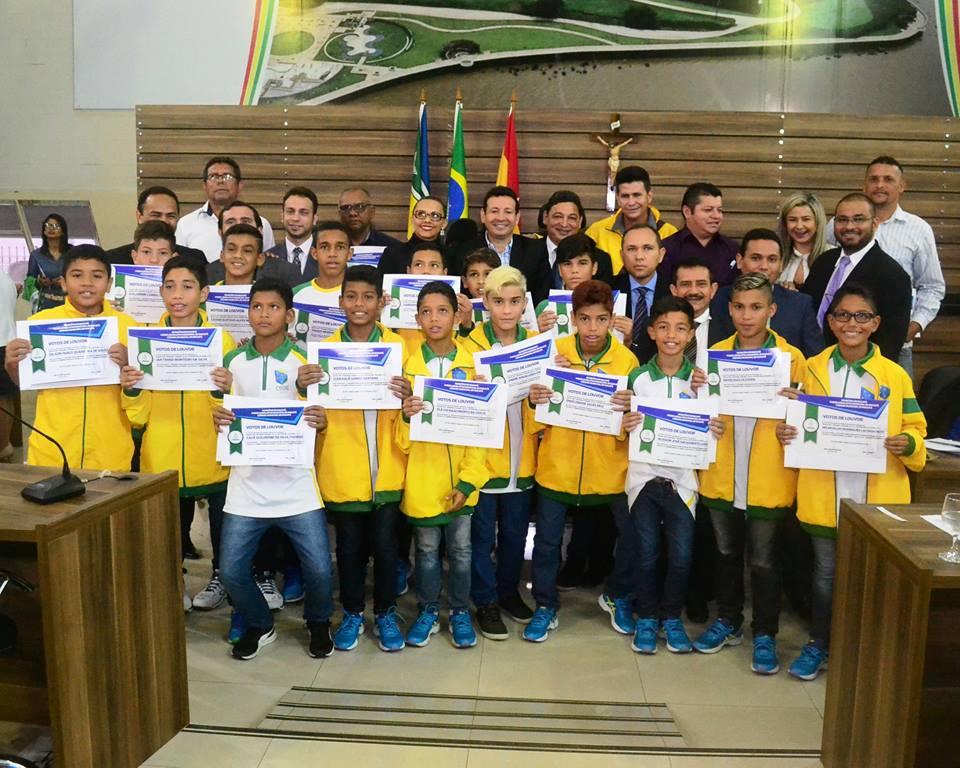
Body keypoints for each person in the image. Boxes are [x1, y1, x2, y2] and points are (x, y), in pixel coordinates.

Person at [776, 284, 926, 680]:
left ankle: (867, 651)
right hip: (826, 491)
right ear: (830, 321)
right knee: (825, 574)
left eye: (861, 316)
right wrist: (787, 432)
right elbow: (795, 420)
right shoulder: (811, 367)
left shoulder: (893, 374)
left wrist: (907, 441)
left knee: (871, 578)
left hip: (876, 495)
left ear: (875, 324)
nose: (851, 323)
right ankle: (820, 644)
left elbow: (916, 429)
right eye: (842, 315)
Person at [212, 278, 334, 660]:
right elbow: (221, 417)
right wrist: (217, 416)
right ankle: (260, 624)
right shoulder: (231, 362)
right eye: (257, 307)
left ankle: (317, 622)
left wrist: (321, 420)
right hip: (246, 486)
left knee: (318, 570)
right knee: (230, 571)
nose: (264, 314)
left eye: (273, 307)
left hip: (296, 485)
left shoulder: (305, 363)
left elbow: (319, 420)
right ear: (247, 312)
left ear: (289, 315)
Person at [693, 273, 806, 676]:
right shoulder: (714, 355)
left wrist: (793, 417)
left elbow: (806, 425)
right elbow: (697, 413)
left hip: (767, 477)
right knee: (725, 553)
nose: (746, 315)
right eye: (739, 307)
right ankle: (727, 620)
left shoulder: (791, 359)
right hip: (724, 470)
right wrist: (703, 413)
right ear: (729, 309)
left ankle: (765, 633)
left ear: (771, 310)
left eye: (756, 307)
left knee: (763, 560)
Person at [524, 280, 639, 642]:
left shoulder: (627, 360)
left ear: (612, 319)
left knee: (634, 538)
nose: (592, 328)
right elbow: (534, 420)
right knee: (545, 544)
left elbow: (636, 423)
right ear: (572, 318)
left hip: (611, 470)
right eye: (585, 319)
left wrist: (628, 412)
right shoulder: (553, 353)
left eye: (601, 319)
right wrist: (535, 398)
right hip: (557, 468)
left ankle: (616, 594)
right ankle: (545, 605)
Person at [120, 255, 235, 611]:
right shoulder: (146, 342)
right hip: (164, 453)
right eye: (169, 286)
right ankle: (176, 581)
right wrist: (133, 389)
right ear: (160, 292)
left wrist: (223, 389)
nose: (177, 294)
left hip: (212, 453)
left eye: (187, 286)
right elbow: (138, 418)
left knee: (221, 529)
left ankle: (221, 578)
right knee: (171, 531)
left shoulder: (223, 339)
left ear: (204, 294)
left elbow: (231, 406)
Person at [307, 266, 410, 652]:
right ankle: (351, 612)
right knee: (348, 551)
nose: (359, 304)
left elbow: (417, 408)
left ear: (381, 302)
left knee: (386, 550)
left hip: (388, 472)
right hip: (344, 472)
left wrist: (407, 394)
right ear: (340, 301)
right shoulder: (322, 352)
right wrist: (306, 388)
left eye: (368, 297)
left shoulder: (400, 348)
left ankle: (385, 612)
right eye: (351, 297)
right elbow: (310, 412)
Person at [615, 295, 722, 654]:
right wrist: (625, 424)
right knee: (645, 553)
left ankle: (671, 618)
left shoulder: (702, 381)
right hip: (643, 480)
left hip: (683, 483)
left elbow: (711, 428)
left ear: (692, 334)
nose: (671, 335)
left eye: (680, 328)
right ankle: (646, 617)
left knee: (681, 555)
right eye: (663, 327)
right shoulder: (638, 376)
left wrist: (714, 429)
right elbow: (622, 425)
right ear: (651, 331)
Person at [397, 281, 489, 649]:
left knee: (463, 552)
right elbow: (399, 442)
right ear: (417, 317)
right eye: (426, 311)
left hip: (462, 482)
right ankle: (429, 609)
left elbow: (483, 433)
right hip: (422, 481)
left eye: (442, 311)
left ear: (456, 315)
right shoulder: (406, 367)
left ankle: (460, 611)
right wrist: (405, 417)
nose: (434, 319)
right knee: (426, 551)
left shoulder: (474, 364)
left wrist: (468, 483)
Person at [5, 245, 135, 471]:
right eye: (77, 275)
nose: (87, 283)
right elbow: (27, 382)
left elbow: (140, 391)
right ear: (63, 283)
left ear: (110, 284)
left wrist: (127, 363)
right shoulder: (41, 323)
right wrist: (12, 366)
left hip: (111, 452)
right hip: (52, 450)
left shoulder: (128, 325)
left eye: (97, 276)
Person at [462, 266, 539, 638]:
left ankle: (509, 591)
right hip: (483, 463)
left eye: (514, 301)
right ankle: (485, 600)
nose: (506, 310)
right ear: (485, 303)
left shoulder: (538, 345)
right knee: (480, 537)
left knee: (515, 535)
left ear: (524, 303)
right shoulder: (468, 346)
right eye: (497, 301)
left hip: (523, 459)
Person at [827, 156, 945, 376]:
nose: (879, 185)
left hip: (894, 346)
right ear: (864, 185)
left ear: (901, 186)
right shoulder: (837, 225)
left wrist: (912, 327)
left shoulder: (918, 229)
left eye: (888, 179)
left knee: (891, 407)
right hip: (839, 341)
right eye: (873, 179)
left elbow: (933, 286)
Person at [668, 257, 723, 623]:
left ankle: (699, 592)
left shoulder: (730, 332)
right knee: (674, 524)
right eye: (684, 285)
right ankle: (674, 590)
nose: (693, 291)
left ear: (714, 289)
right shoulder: (662, 330)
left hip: (715, 441)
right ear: (674, 290)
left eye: (700, 284)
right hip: (671, 440)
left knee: (705, 525)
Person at [803, 193, 912, 362]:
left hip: (856, 371)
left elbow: (890, 343)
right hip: (810, 365)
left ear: (874, 224)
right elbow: (808, 312)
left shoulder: (893, 276)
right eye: (842, 220)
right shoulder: (824, 261)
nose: (849, 226)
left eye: (858, 219)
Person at [710, 229, 824, 358]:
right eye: (755, 258)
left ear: (781, 264)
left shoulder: (800, 304)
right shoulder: (719, 299)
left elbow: (815, 359)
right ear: (740, 260)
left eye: (772, 259)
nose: (764, 266)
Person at [449, 186, 551, 304]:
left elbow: (542, 296)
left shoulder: (535, 250)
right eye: (494, 211)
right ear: (483, 215)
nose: (501, 218)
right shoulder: (462, 251)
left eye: (508, 212)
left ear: (517, 217)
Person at [176, 156, 276, 262]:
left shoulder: (260, 224)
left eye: (227, 176)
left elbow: (269, 264)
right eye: (213, 177)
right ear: (204, 186)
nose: (220, 181)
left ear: (240, 186)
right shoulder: (186, 224)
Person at [585, 166, 678, 276]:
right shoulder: (596, 232)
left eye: (637, 195)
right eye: (625, 196)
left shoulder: (670, 233)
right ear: (618, 199)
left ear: (649, 196)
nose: (631, 202)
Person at [104, 186, 206, 266]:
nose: (163, 221)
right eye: (156, 215)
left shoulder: (195, 259)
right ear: (139, 216)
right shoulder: (112, 260)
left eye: (171, 216)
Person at [659, 182, 738, 286]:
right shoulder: (667, 249)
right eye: (708, 210)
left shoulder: (732, 249)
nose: (716, 216)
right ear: (687, 212)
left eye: (719, 210)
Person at [533, 191, 614, 289]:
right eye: (558, 216)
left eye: (572, 218)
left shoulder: (600, 259)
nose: (564, 224)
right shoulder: (528, 253)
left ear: (580, 221)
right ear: (545, 217)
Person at [612, 224, 668, 364]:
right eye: (631, 249)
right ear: (621, 255)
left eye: (647, 248)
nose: (639, 257)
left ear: (661, 255)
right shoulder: (608, 290)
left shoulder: (674, 291)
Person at [378, 196, 447, 277]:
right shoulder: (392, 253)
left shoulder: (452, 255)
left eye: (435, 215)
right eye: (421, 214)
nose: (427, 220)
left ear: (444, 223)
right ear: (412, 219)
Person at [776, 192, 828, 290]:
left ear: (817, 222)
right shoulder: (775, 256)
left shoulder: (834, 257)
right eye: (792, 220)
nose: (799, 226)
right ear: (785, 224)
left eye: (806, 219)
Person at [268, 187, 319, 281]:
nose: (295, 218)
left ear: (314, 219)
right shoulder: (268, 258)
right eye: (290, 211)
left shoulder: (325, 256)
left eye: (303, 213)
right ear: (282, 216)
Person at [26, 213, 69, 310]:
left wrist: (65, 282)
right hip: (45, 303)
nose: (51, 229)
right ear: (44, 231)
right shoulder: (36, 255)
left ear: (63, 231)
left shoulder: (73, 253)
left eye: (56, 226)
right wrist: (39, 282)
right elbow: (29, 282)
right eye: (48, 225)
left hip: (70, 302)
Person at [0, 268, 18, 462]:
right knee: (4, 397)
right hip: (6, 341)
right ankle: (4, 446)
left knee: (2, 398)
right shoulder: (5, 278)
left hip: (2, 343)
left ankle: (3, 447)